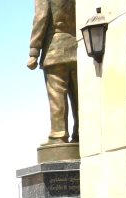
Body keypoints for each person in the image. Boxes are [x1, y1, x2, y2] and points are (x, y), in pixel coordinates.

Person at [28, 0, 78, 144]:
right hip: (79, 46)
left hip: (55, 49)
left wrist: (34, 51)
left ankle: (58, 134)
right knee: (79, 97)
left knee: (57, 96)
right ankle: (80, 133)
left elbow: (41, 17)